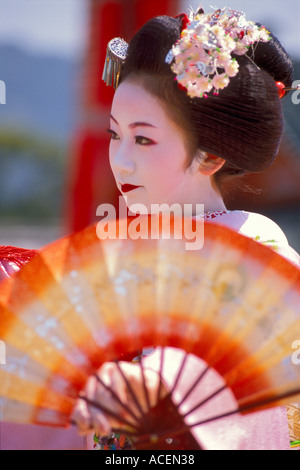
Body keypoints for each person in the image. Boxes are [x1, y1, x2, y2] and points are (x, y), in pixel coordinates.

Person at [72, 7, 300, 450]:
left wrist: (156, 386)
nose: (120, 161)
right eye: (115, 134)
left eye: (144, 139)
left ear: (210, 156)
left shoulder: (258, 255)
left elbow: (226, 361)